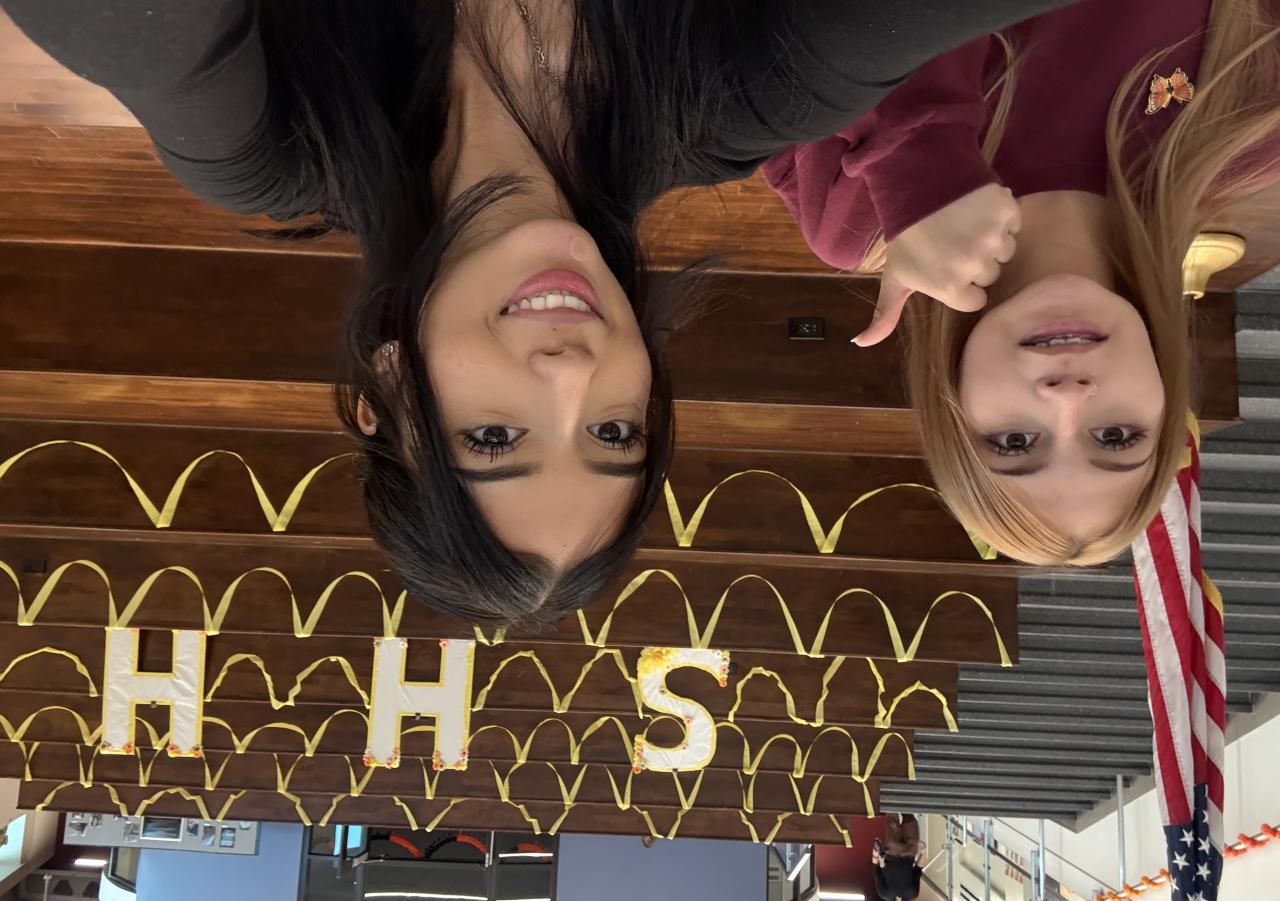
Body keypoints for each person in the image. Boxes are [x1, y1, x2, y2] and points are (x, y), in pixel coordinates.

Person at [2, 0, 1075, 623]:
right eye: (613, 431)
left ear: (386, 395)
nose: (570, 373)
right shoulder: (734, 98)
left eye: (494, 438)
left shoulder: (276, 133)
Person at [763, 0, 1280, 565]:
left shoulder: (854, 213)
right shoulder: (1247, 124)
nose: (1068, 398)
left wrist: (918, 157)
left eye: (1015, 443)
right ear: (1165, 400)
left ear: (954, 411)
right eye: (1115, 437)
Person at [872, 813, 925, 901]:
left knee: (892, 820)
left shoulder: (884, 894)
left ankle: (890, 801)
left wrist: (875, 855)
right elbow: (918, 870)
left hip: (892, 852)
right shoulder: (913, 894)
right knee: (911, 820)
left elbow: (876, 870)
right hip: (910, 853)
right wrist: (923, 853)